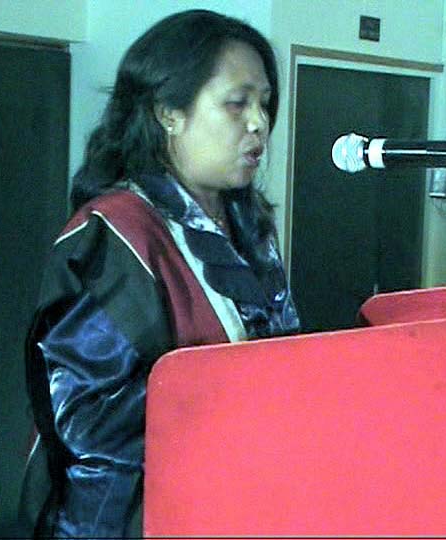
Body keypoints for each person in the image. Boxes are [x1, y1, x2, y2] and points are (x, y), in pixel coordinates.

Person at [20, 10, 299, 539]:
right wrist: (231, 391)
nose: (259, 122)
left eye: (264, 103)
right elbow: (89, 424)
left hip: (248, 501)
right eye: (237, 103)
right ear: (168, 112)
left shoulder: (250, 227)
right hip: (138, 517)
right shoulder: (116, 234)